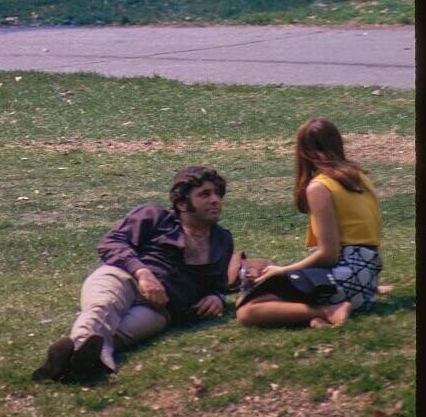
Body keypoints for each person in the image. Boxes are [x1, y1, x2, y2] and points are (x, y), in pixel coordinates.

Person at [32, 165, 234, 381]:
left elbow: (218, 283)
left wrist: (216, 296)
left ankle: (68, 360)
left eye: (217, 194)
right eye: (205, 194)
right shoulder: (154, 216)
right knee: (102, 309)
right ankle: (87, 359)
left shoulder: (222, 240)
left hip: (160, 308)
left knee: (120, 335)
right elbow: (111, 243)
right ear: (182, 204)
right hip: (122, 277)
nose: (215, 200)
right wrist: (143, 274)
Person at [236, 118, 382, 329]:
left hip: (346, 276)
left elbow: (329, 254)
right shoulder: (360, 176)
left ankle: (327, 310)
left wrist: (283, 270)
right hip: (367, 278)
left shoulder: (319, 187)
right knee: (269, 292)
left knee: (247, 308)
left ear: (306, 152)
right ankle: (312, 317)